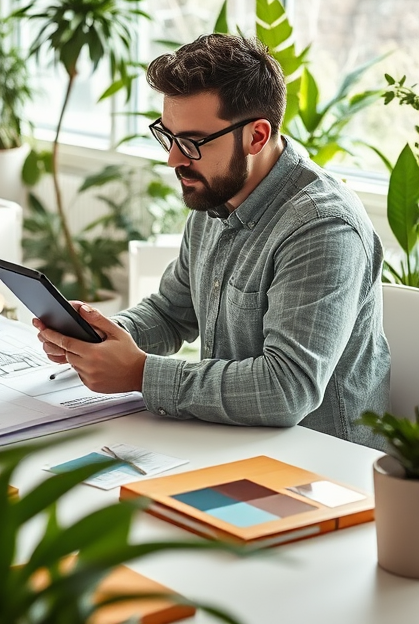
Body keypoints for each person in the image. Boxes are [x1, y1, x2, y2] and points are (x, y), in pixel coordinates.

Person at [34, 33, 390, 448]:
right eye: (167, 136)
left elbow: (288, 388)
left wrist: (139, 373)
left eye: (192, 142)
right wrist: (97, 338)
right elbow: (171, 312)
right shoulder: (215, 195)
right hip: (233, 440)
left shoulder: (322, 227)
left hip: (321, 463)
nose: (173, 159)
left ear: (257, 136)